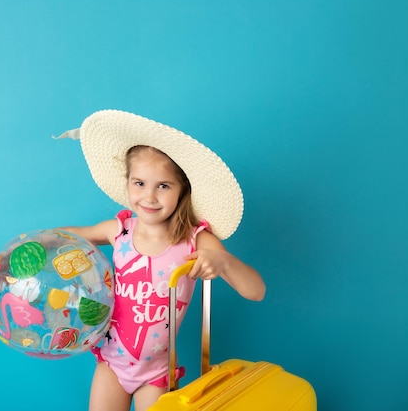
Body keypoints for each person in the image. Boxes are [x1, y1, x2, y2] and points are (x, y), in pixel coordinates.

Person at [57, 110, 265, 411]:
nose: (150, 197)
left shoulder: (195, 240)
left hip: (157, 374)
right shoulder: (120, 230)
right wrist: (36, 240)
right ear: (127, 183)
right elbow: (74, 235)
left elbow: (255, 291)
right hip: (111, 365)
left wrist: (222, 262)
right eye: (139, 183)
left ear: (182, 191)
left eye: (163, 186)